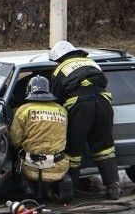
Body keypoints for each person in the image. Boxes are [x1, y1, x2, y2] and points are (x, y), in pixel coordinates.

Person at [49, 41, 121, 200]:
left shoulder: (60, 69)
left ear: (58, 58)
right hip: (103, 103)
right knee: (105, 147)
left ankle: (70, 190)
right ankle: (113, 187)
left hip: (81, 107)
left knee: (73, 150)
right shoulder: (91, 62)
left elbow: (56, 97)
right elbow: (103, 82)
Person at [10, 75, 73, 204]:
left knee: (16, 164)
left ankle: (28, 188)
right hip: (58, 165)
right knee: (60, 163)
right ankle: (57, 186)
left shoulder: (23, 110)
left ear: (29, 91)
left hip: (31, 165)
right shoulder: (61, 110)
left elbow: (15, 141)